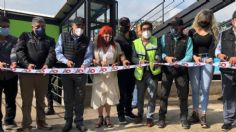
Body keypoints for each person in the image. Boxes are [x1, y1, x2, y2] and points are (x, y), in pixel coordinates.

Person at [16, 17, 56, 132]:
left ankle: (41, 122)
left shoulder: (50, 40)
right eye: (38, 27)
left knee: (41, 101)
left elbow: (52, 53)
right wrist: (26, 64)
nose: (40, 29)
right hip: (27, 74)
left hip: (42, 75)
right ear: (32, 27)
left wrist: (47, 65)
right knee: (27, 101)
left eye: (43, 27)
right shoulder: (24, 36)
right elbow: (19, 50)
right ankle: (26, 125)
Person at [55, 16, 93, 132]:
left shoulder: (87, 40)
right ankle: (68, 122)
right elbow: (58, 52)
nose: (80, 28)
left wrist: (84, 64)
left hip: (81, 74)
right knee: (68, 98)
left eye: (82, 26)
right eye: (78, 25)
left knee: (80, 99)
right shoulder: (63, 36)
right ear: (72, 26)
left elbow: (89, 56)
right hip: (66, 73)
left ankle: (79, 121)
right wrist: (66, 61)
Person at [158, 17, 193, 129]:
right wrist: (166, 57)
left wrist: (181, 63)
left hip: (181, 71)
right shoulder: (164, 37)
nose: (172, 28)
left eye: (175, 26)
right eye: (171, 25)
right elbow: (160, 52)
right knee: (163, 95)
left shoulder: (187, 39)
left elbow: (189, 55)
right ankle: (161, 118)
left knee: (183, 96)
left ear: (181, 27)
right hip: (167, 71)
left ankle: (184, 118)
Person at [91, 25, 129, 128]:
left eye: (110, 34)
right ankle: (100, 117)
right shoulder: (96, 45)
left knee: (109, 96)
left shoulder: (116, 45)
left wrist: (122, 61)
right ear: (101, 35)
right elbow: (91, 58)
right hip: (99, 75)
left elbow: (121, 55)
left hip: (111, 75)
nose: (108, 36)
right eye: (105, 33)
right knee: (99, 96)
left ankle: (107, 117)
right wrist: (96, 61)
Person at [188, 9, 219, 128]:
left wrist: (209, 58)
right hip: (194, 61)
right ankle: (195, 112)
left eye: (206, 21)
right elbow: (190, 47)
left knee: (205, 88)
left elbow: (212, 48)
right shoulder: (191, 31)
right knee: (195, 88)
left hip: (207, 61)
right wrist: (194, 56)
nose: (204, 23)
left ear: (210, 21)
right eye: (202, 21)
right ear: (198, 19)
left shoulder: (213, 32)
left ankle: (204, 114)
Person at [132, 21, 161, 127]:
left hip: (152, 73)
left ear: (151, 30)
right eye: (144, 29)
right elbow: (133, 57)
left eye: (148, 29)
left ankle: (150, 117)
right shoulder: (135, 42)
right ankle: (140, 115)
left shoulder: (156, 40)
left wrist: (158, 59)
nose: (146, 31)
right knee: (140, 96)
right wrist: (139, 62)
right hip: (140, 73)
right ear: (141, 31)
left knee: (152, 96)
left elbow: (159, 53)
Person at [215, 10, 236, 131]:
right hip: (227, 71)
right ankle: (228, 120)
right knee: (228, 96)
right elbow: (217, 50)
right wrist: (219, 56)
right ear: (233, 21)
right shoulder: (223, 34)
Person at [115, 17, 137, 124]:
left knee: (130, 92)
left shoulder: (133, 35)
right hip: (122, 70)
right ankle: (120, 114)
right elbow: (117, 53)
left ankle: (128, 111)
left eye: (126, 24)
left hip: (133, 69)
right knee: (122, 94)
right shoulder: (117, 38)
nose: (124, 26)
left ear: (129, 24)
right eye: (122, 24)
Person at [0, 16, 18, 131]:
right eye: (2, 27)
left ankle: (9, 120)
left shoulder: (14, 40)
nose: (5, 29)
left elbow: (14, 52)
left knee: (11, 99)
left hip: (11, 75)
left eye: (7, 27)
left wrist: (14, 62)